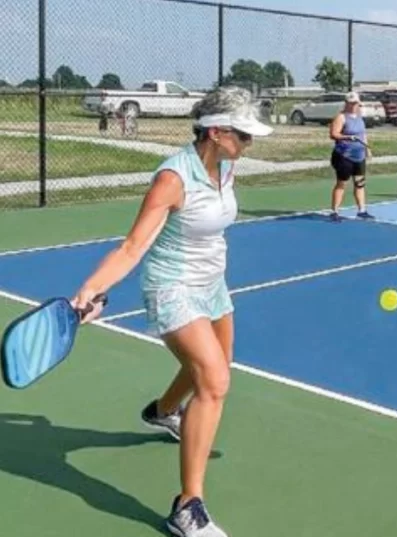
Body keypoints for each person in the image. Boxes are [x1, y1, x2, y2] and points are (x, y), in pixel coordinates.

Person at [71, 85, 273, 537]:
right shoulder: (173, 179)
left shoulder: (226, 167)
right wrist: (91, 289)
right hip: (172, 286)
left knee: (220, 366)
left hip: (212, 284)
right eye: (243, 135)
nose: (250, 143)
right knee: (214, 382)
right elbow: (132, 246)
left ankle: (163, 411)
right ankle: (187, 506)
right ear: (217, 132)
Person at [328, 91, 374, 221]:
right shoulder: (341, 117)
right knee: (341, 183)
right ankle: (335, 212)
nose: (353, 106)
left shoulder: (359, 117)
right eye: (350, 103)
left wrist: (367, 148)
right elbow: (333, 134)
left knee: (360, 183)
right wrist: (348, 137)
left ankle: (362, 210)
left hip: (359, 156)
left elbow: (363, 135)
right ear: (346, 103)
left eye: (355, 103)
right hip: (344, 155)